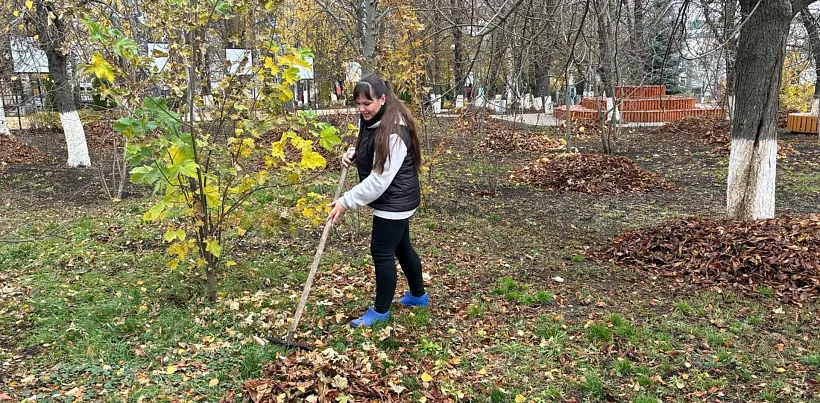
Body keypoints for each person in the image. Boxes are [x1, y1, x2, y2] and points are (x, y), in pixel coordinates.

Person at [328, 73, 429, 328]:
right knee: (401, 246)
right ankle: (418, 296)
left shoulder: (394, 131)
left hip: (395, 199)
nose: (362, 109)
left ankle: (380, 311)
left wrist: (345, 201)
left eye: (367, 104)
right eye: (358, 104)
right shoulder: (374, 118)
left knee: (381, 252)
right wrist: (355, 152)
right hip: (396, 196)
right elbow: (370, 144)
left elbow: (378, 182)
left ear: (382, 99)